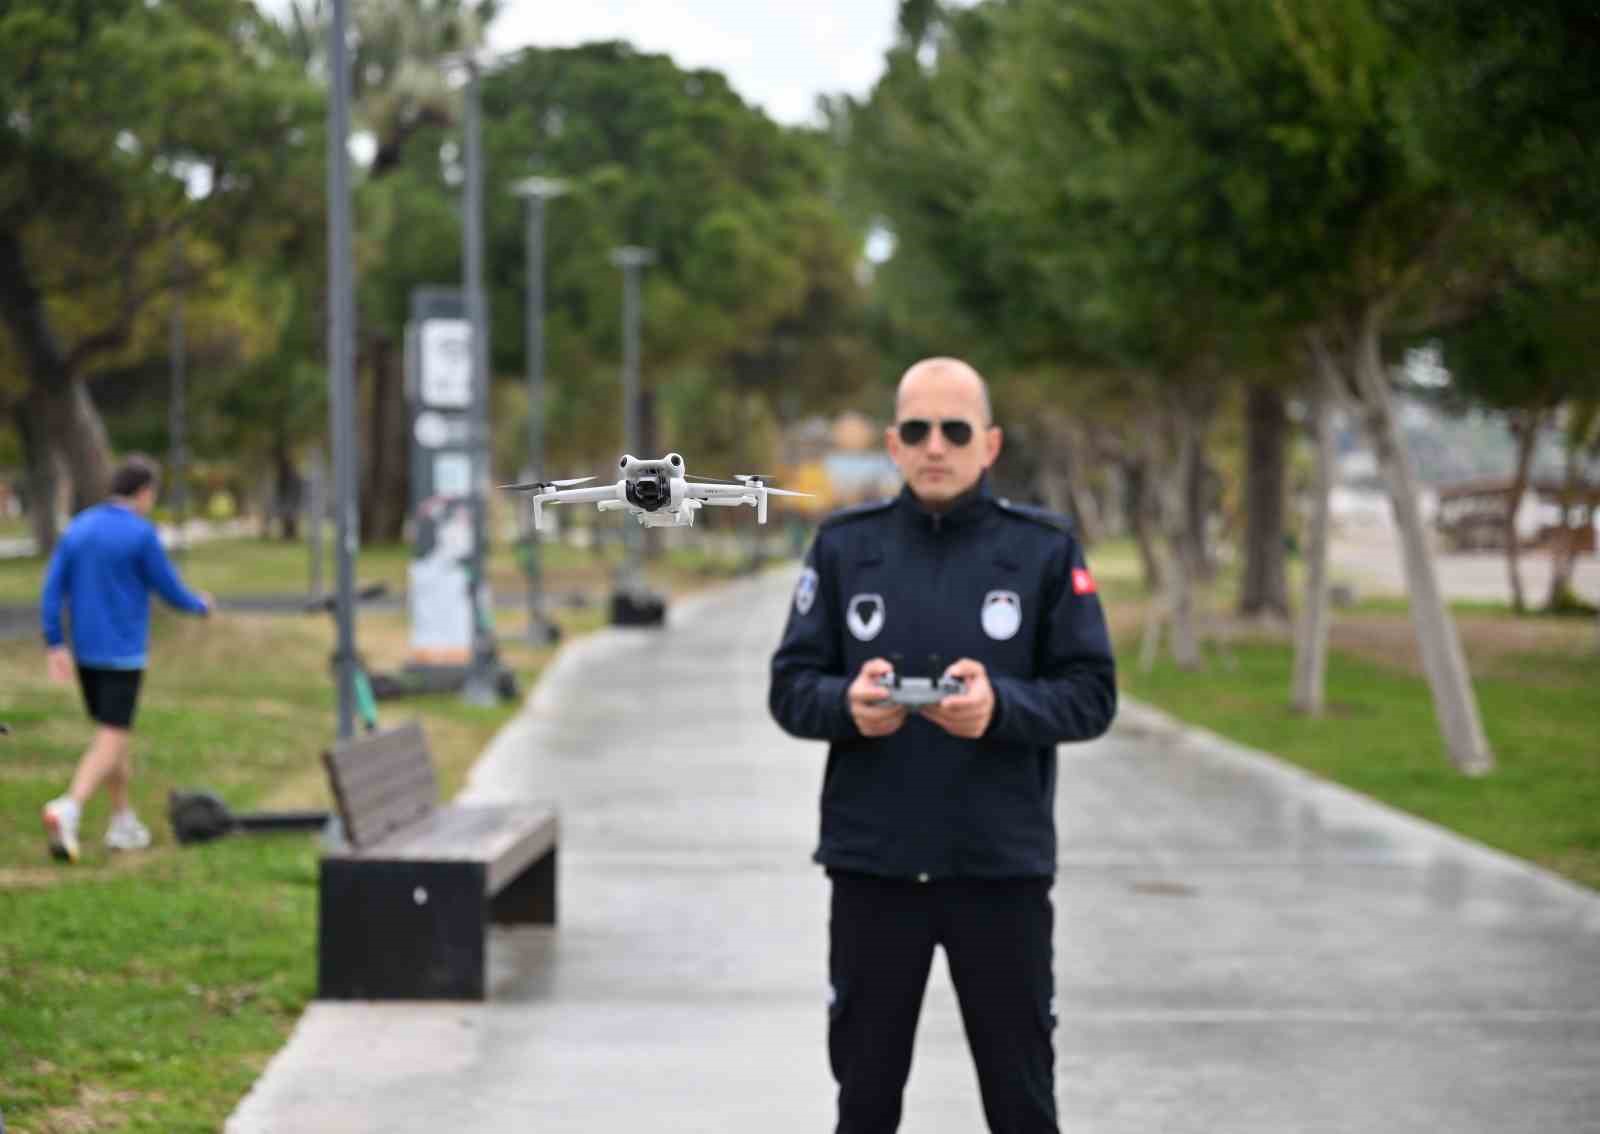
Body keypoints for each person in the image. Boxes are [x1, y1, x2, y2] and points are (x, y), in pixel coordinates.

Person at [769, 358, 1117, 1133]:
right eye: (918, 430)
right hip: (874, 868)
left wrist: (1001, 707)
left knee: (1022, 1100)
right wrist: (848, 705)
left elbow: (1092, 695)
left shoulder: (1043, 552)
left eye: (955, 430)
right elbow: (790, 689)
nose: (936, 446)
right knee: (863, 1100)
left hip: (998, 869)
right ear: (893, 444)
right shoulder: (842, 548)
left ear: (987, 444)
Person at [39, 454, 213, 862]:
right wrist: (201, 606)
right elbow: (168, 588)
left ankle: (122, 822)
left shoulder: (79, 528)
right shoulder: (140, 533)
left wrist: (54, 643)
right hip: (123, 654)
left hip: (86, 653)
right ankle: (70, 807)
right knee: (112, 736)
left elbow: (51, 590)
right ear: (144, 492)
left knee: (113, 735)